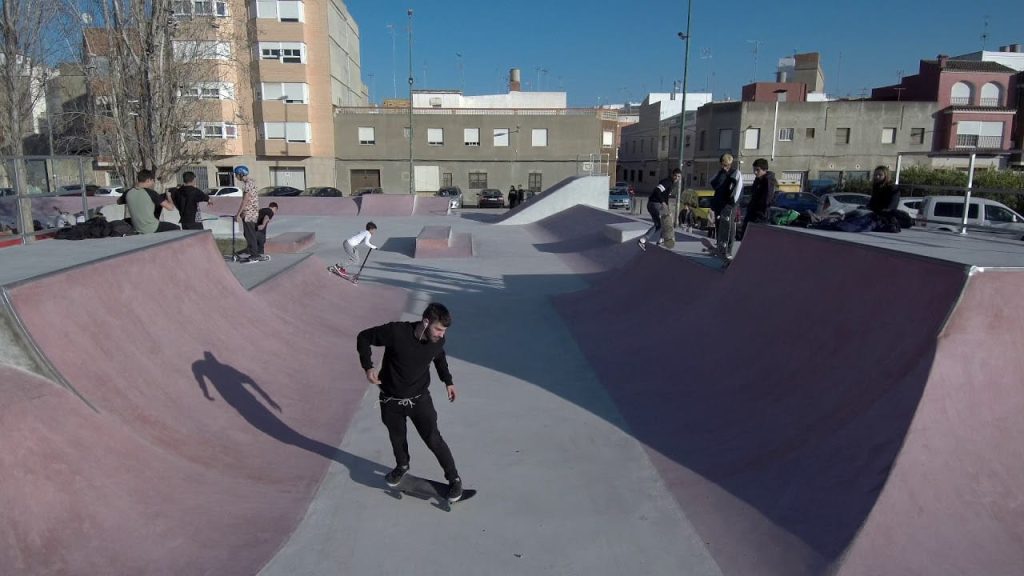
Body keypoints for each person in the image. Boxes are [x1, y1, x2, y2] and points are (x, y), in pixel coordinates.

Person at [356, 303, 463, 501]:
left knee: (433, 439)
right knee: (397, 437)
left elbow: (439, 356)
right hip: (390, 400)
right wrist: (368, 367)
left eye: (444, 331)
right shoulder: (396, 332)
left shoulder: (438, 340)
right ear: (426, 322)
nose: (441, 335)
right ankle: (402, 465)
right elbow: (363, 337)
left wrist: (448, 381)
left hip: (419, 400)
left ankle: (454, 478)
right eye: (438, 329)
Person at [709, 154, 743, 258]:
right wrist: (722, 173)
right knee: (719, 225)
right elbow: (713, 183)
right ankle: (720, 247)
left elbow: (738, 190)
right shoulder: (720, 173)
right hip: (719, 204)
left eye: (726, 165)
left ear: (730, 164)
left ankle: (728, 250)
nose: (724, 167)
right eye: (722, 165)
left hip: (729, 205)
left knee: (729, 227)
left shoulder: (736, 173)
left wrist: (732, 203)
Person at [124, 169, 179, 234]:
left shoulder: (128, 192)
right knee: (177, 228)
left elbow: (118, 201)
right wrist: (169, 196)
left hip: (137, 228)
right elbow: (171, 208)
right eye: (153, 180)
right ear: (148, 180)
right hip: (152, 228)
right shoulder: (151, 193)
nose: (153, 183)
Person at [638, 168, 681, 251]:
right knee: (667, 220)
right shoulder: (667, 182)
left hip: (651, 204)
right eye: (675, 176)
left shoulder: (670, 183)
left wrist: (667, 206)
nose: (677, 178)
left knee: (658, 224)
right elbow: (657, 191)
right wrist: (663, 203)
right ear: (672, 175)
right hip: (656, 204)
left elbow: (665, 197)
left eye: (679, 176)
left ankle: (643, 240)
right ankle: (662, 240)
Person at [233, 165, 266, 262]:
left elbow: (245, 200)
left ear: (241, 174)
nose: (236, 176)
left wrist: (238, 214)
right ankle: (255, 252)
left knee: (249, 234)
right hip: (253, 212)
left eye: (236, 174)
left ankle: (254, 254)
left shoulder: (247, 184)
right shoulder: (252, 182)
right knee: (249, 233)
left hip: (248, 213)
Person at [739, 158, 777, 239]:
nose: (755, 172)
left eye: (757, 170)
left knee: (756, 238)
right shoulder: (757, 180)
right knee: (745, 236)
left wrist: (760, 211)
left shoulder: (768, 181)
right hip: (752, 212)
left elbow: (768, 199)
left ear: (764, 170)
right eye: (754, 170)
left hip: (760, 215)